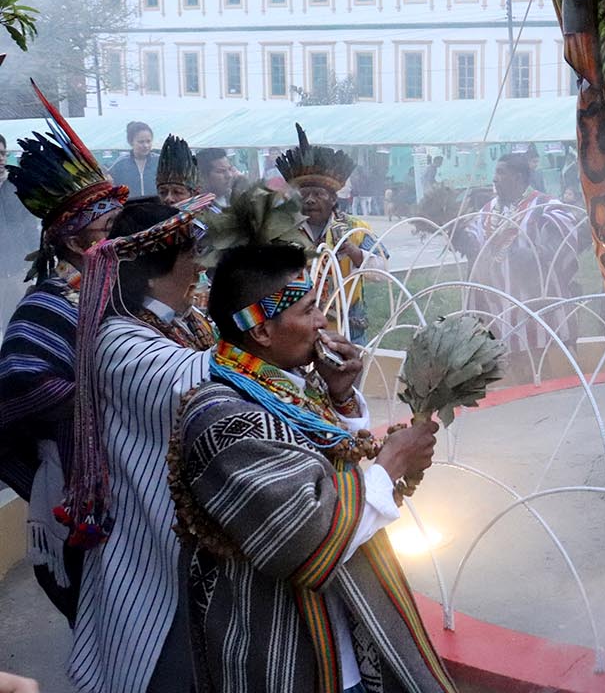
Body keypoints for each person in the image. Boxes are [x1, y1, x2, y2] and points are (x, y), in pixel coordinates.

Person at [169, 243, 456, 692]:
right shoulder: (223, 419)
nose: (323, 322)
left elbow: (324, 457)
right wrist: (391, 461)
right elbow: (306, 533)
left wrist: (340, 396)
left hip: (340, 637)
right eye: (308, 310)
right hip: (283, 651)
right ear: (262, 332)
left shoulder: (276, 388)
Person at [64, 194, 216, 693]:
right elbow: (198, 382)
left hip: (180, 532)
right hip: (146, 539)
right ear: (152, 271)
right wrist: (267, 322)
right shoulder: (118, 340)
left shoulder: (187, 322)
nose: (199, 263)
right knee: (158, 663)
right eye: (189, 252)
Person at [0, 90, 129, 625]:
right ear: (76, 243)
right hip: (74, 489)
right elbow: (18, 381)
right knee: (104, 617)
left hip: (132, 480)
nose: (125, 239)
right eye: (111, 231)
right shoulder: (50, 301)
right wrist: (103, 394)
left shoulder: (121, 293)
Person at [455, 154, 583, 359]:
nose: (494, 178)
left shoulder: (545, 204)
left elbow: (568, 237)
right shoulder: (488, 210)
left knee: (537, 361)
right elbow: (475, 243)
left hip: (534, 302)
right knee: (506, 359)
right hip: (496, 304)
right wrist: (458, 236)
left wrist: (537, 255)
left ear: (518, 177)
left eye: (501, 172)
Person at [279, 124, 389, 344]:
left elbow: (382, 272)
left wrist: (354, 251)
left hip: (347, 327)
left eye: (318, 194)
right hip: (298, 328)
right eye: (305, 194)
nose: (310, 200)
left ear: (333, 199)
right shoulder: (282, 231)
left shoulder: (355, 229)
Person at [0, 134, 39, 328]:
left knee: (18, 321)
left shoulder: (16, 185)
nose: (0, 158)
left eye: (2, 153)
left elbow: (30, 224)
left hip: (19, 268)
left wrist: (35, 259)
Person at [108, 121, 158, 195]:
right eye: (141, 142)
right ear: (131, 142)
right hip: (130, 205)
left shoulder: (159, 161)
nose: (146, 145)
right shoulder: (121, 163)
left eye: (148, 141)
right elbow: (109, 182)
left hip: (156, 205)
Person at [154, 134, 199, 207]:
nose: (168, 199)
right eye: (162, 192)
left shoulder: (209, 218)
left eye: (178, 192)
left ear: (194, 195)